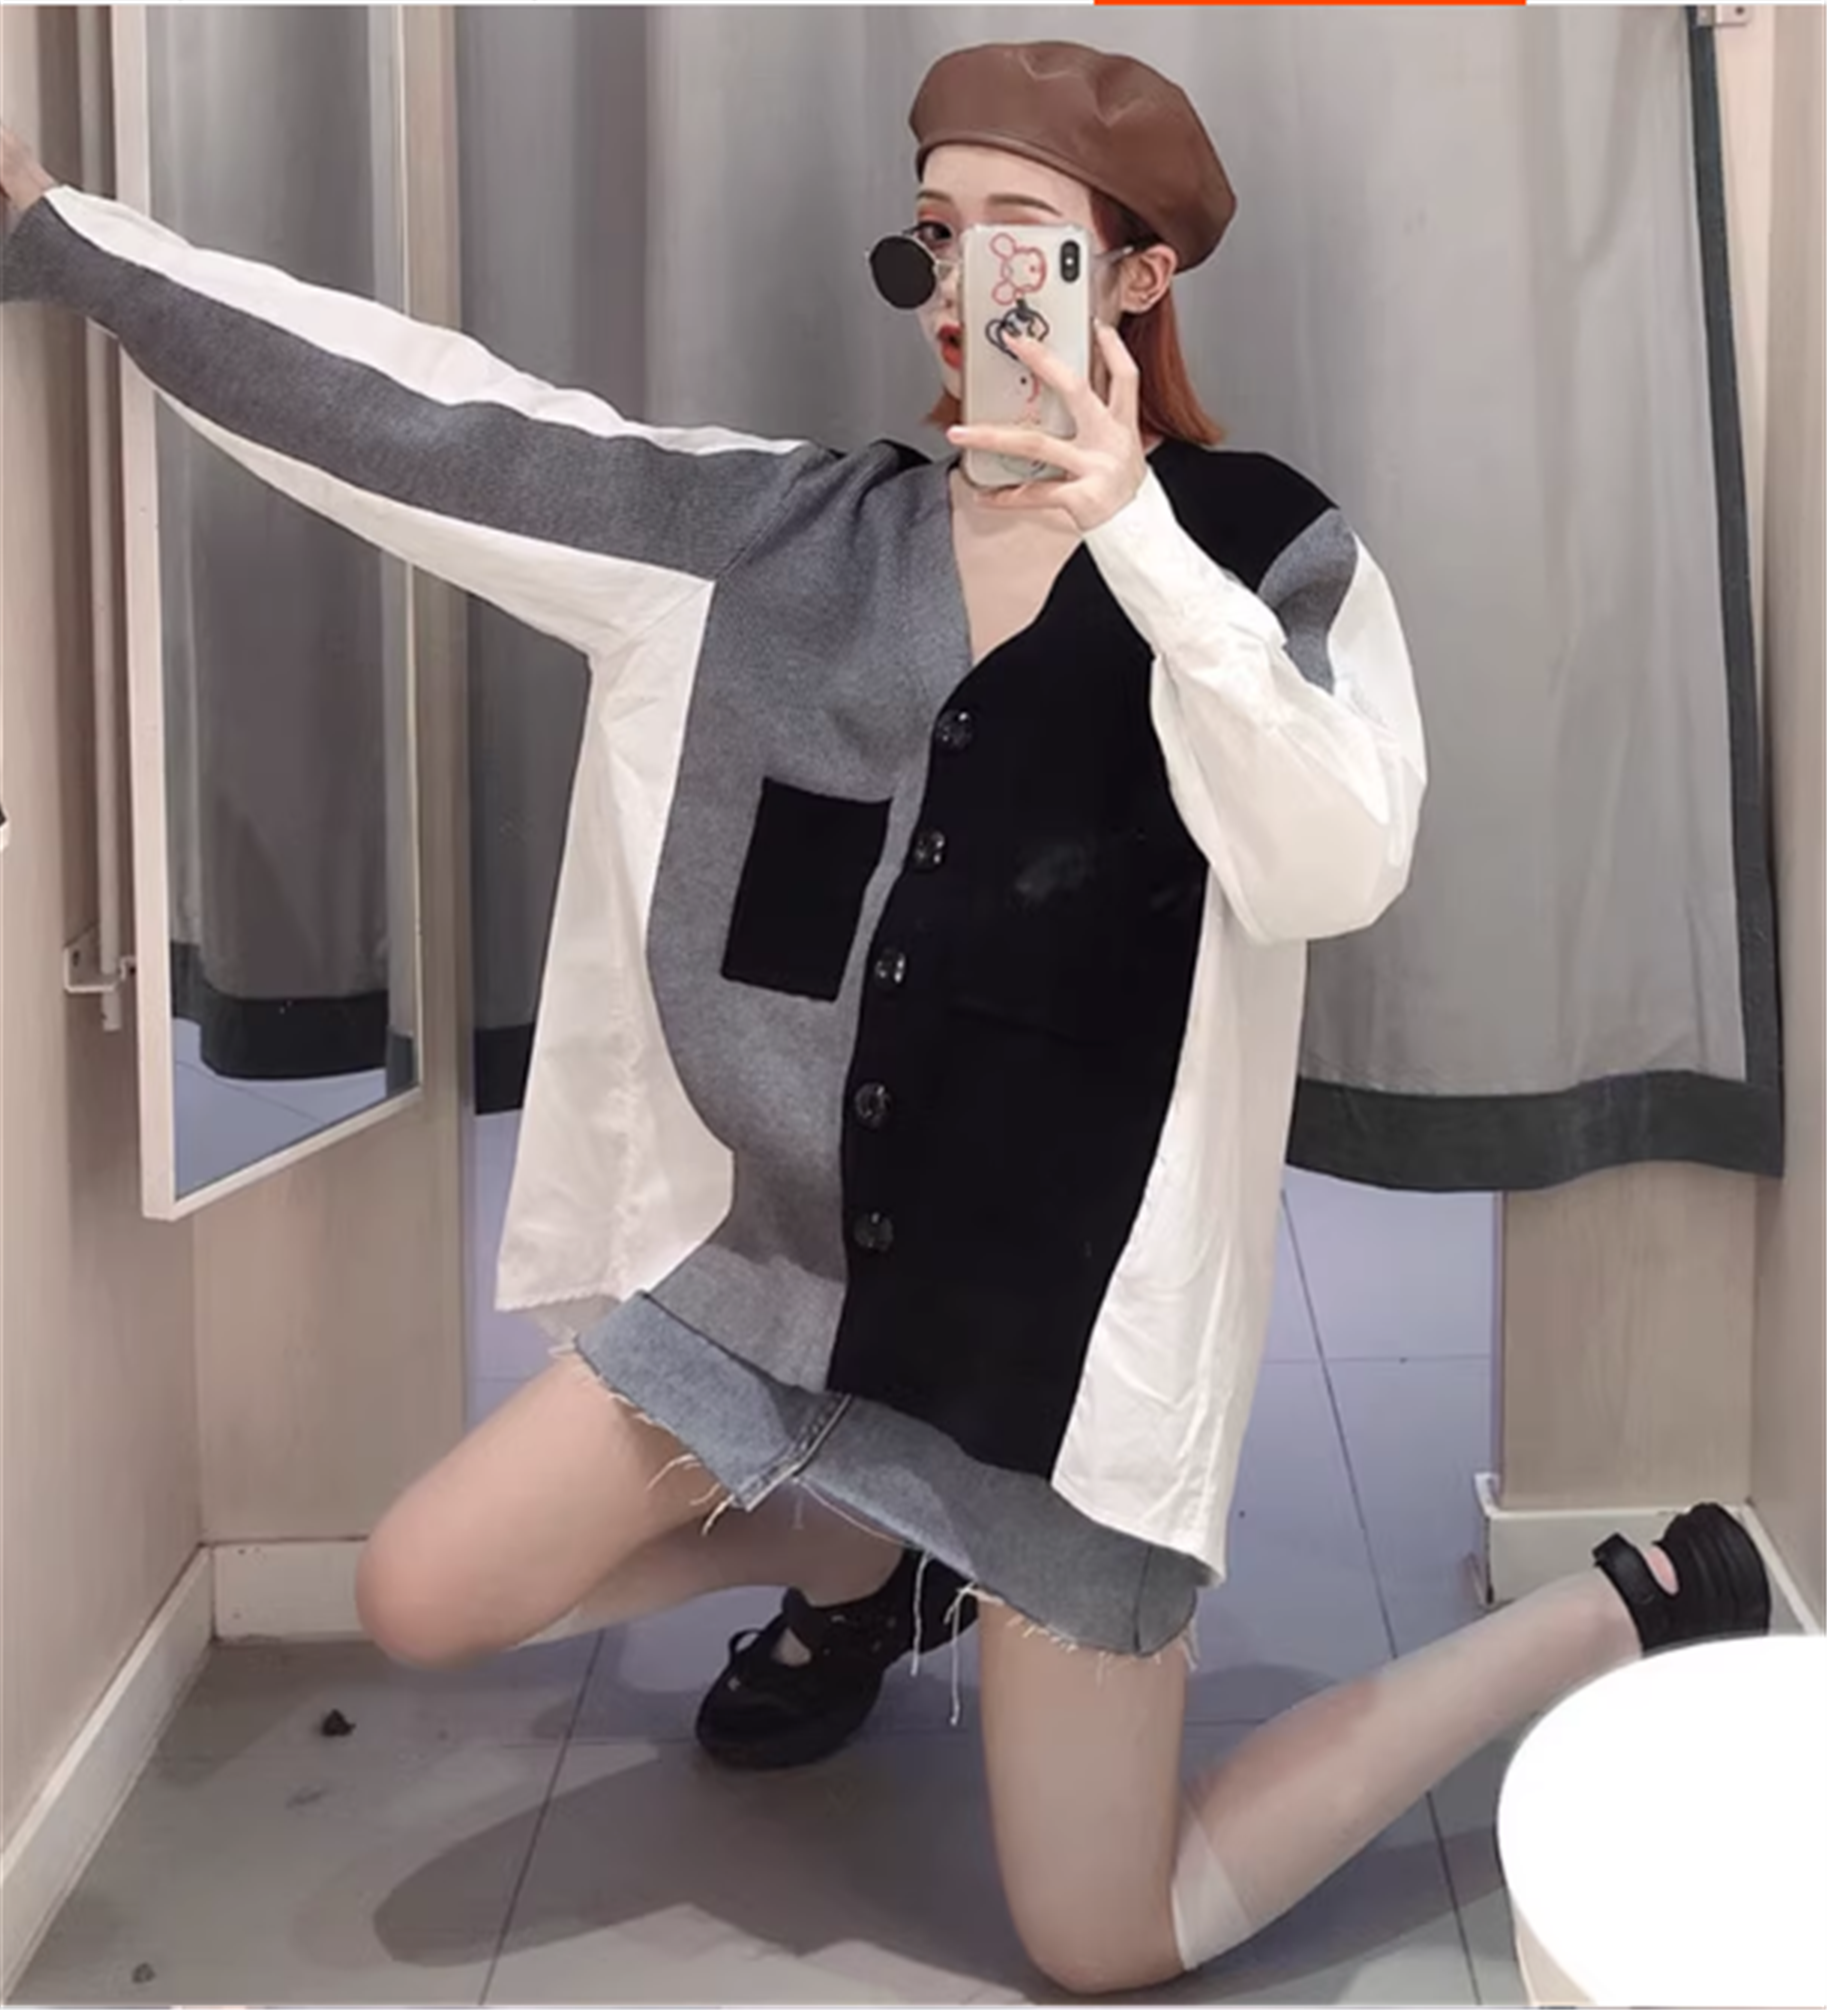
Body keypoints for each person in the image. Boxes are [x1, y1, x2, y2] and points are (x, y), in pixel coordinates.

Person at [1, 40, 1771, 1994]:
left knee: (1105, 1936)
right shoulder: (776, 541)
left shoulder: (1266, 551)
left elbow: (1334, 854)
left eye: (1019, 240)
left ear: (1135, 274)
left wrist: (1131, 531)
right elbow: (422, 422)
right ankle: (856, 1547)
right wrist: (60, 240)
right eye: (934, 239)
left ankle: (1611, 1608)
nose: (960, 290)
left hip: (1053, 1385)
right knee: (423, 1591)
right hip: (770, 1293)